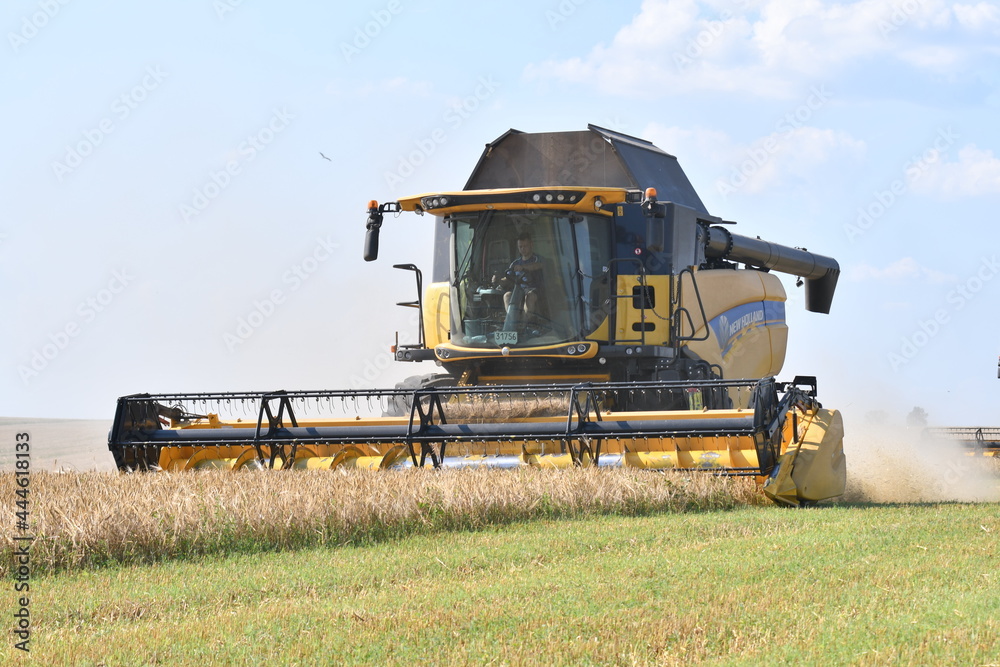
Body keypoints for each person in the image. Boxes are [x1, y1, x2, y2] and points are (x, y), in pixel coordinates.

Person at [494, 232, 544, 319]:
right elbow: (508, 278)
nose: (523, 249)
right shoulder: (515, 263)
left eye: (525, 246)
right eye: (520, 247)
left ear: (531, 245)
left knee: (529, 296)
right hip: (519, 290)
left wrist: (523, 267)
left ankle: (524, 324)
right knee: (507, 296)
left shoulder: (537, 259)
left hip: (535, 289)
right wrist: (498, 280)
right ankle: (512, 322)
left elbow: (538, 265)